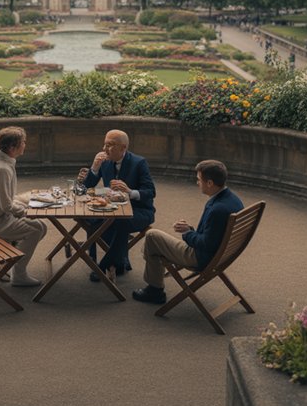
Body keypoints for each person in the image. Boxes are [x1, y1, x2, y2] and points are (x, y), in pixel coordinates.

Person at [132, 160, 243, 304]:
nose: (197, 183)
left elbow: (206, 244)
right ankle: (153, 280)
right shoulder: (233, 199)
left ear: (209, 183)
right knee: (153, 244)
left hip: (201, 257)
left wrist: (187, 233)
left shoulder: (217, 209)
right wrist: (191, 229)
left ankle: (155, 291)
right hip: (222, 256)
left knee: (152, 237)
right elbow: (212, 236)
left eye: (199, 180)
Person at [0, 126, 47, 287]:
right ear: (12, 147)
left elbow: (5, 200)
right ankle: (18, 274)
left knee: (41, 226)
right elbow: (6, 205)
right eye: (23, 142)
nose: (25, 145)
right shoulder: (2, 168)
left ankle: (11, 263)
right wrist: (27, 212)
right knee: (37, 229)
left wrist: (26, 207)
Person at [78, 130, 156, 280]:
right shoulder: (105, 161)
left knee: (120, 221)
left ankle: (106, 266)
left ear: (123, 147)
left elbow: (150, 192)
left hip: (139, 210)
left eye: (110, 145)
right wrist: (94, 168)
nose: (104, 149)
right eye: (104, 144)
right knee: (90, 217)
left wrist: (129, 191)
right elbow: (85, 189)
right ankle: (112, 261)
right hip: (112, 209)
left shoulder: (139, 163)